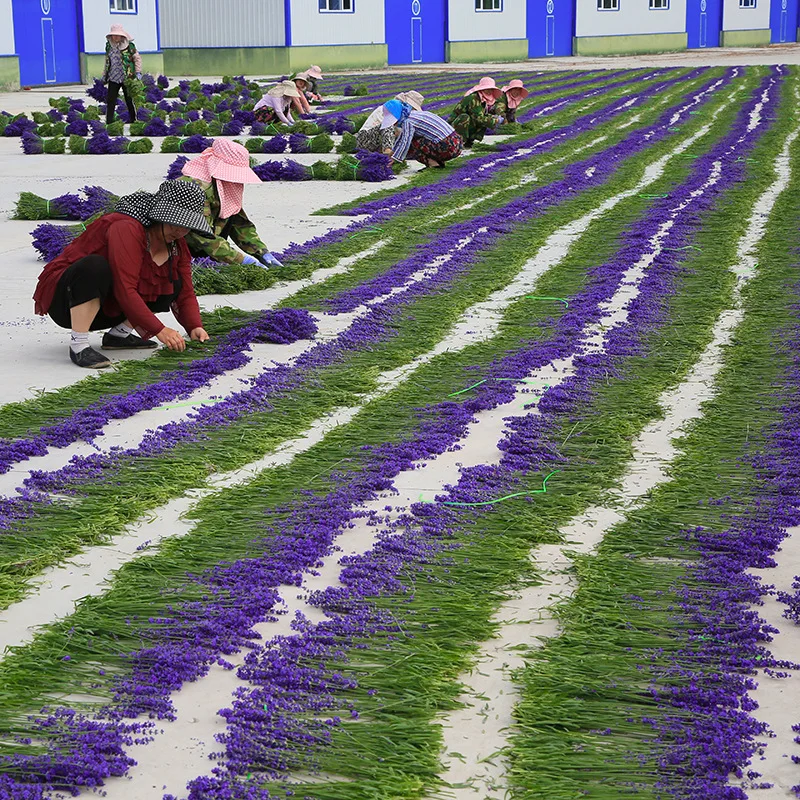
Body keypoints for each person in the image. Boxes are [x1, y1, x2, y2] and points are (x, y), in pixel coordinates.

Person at [33, 181, 213, 369]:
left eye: (186, 226)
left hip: (108, 305)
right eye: (175, 223)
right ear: (161, 215)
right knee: (95, 266)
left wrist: (194, 326)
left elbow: (185, 291)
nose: (180, 231)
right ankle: (79, 345)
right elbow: (124, 289)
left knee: (170, 280)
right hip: (68, 300)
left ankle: (118, 336)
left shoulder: (177, 245)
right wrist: (159, 330)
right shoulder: (127, 227)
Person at [180, 138, 283, 269]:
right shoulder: (194, 188)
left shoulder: (226, 185)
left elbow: (239, 223)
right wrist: (241, 260)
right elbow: (202, 235)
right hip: (179, 249)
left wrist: (261, 252)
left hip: (205, 247)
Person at [381, 99, 463, 168]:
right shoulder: (413, 114)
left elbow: (405, 142)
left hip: (448, 146)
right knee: (416, 139)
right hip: (456, 143)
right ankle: (438, 163)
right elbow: (401, 138)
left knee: (413, 143)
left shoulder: (408, 122)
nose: (394, 124)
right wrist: (392, 153)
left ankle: (433, 164)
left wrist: (395, 159)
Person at [356, 91, 424, 153]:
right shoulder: (390, 109)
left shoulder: (401, 114)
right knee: (388, 126)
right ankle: (387, 151)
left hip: (377, 143)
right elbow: (387, 129)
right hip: (365, 139)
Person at [102, 23, 142, 126]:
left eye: (118, 35)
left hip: (127, 77)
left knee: (129, 99)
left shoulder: (129, 46)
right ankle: (109, 121)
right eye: (114, 35)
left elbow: (137, 58)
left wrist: (138, 72)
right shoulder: (108, 46)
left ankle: (133, 119)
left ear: (122, 35)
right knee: (111, 100)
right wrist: (104, 74)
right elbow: (107, 61)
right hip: (113, 77)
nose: (116, 37)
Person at [448, 76, 503, 148]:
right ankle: (459, 143)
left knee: (486, 119)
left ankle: (470, 141)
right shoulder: (473, 98)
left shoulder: (482, 100)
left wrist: (492, 117)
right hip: (452, 129)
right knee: (465, 117)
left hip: (468, 124)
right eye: (487, 89)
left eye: (491, 89)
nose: (489, 91)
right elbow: (478, 119)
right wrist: (495, 121)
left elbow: (480, 115)